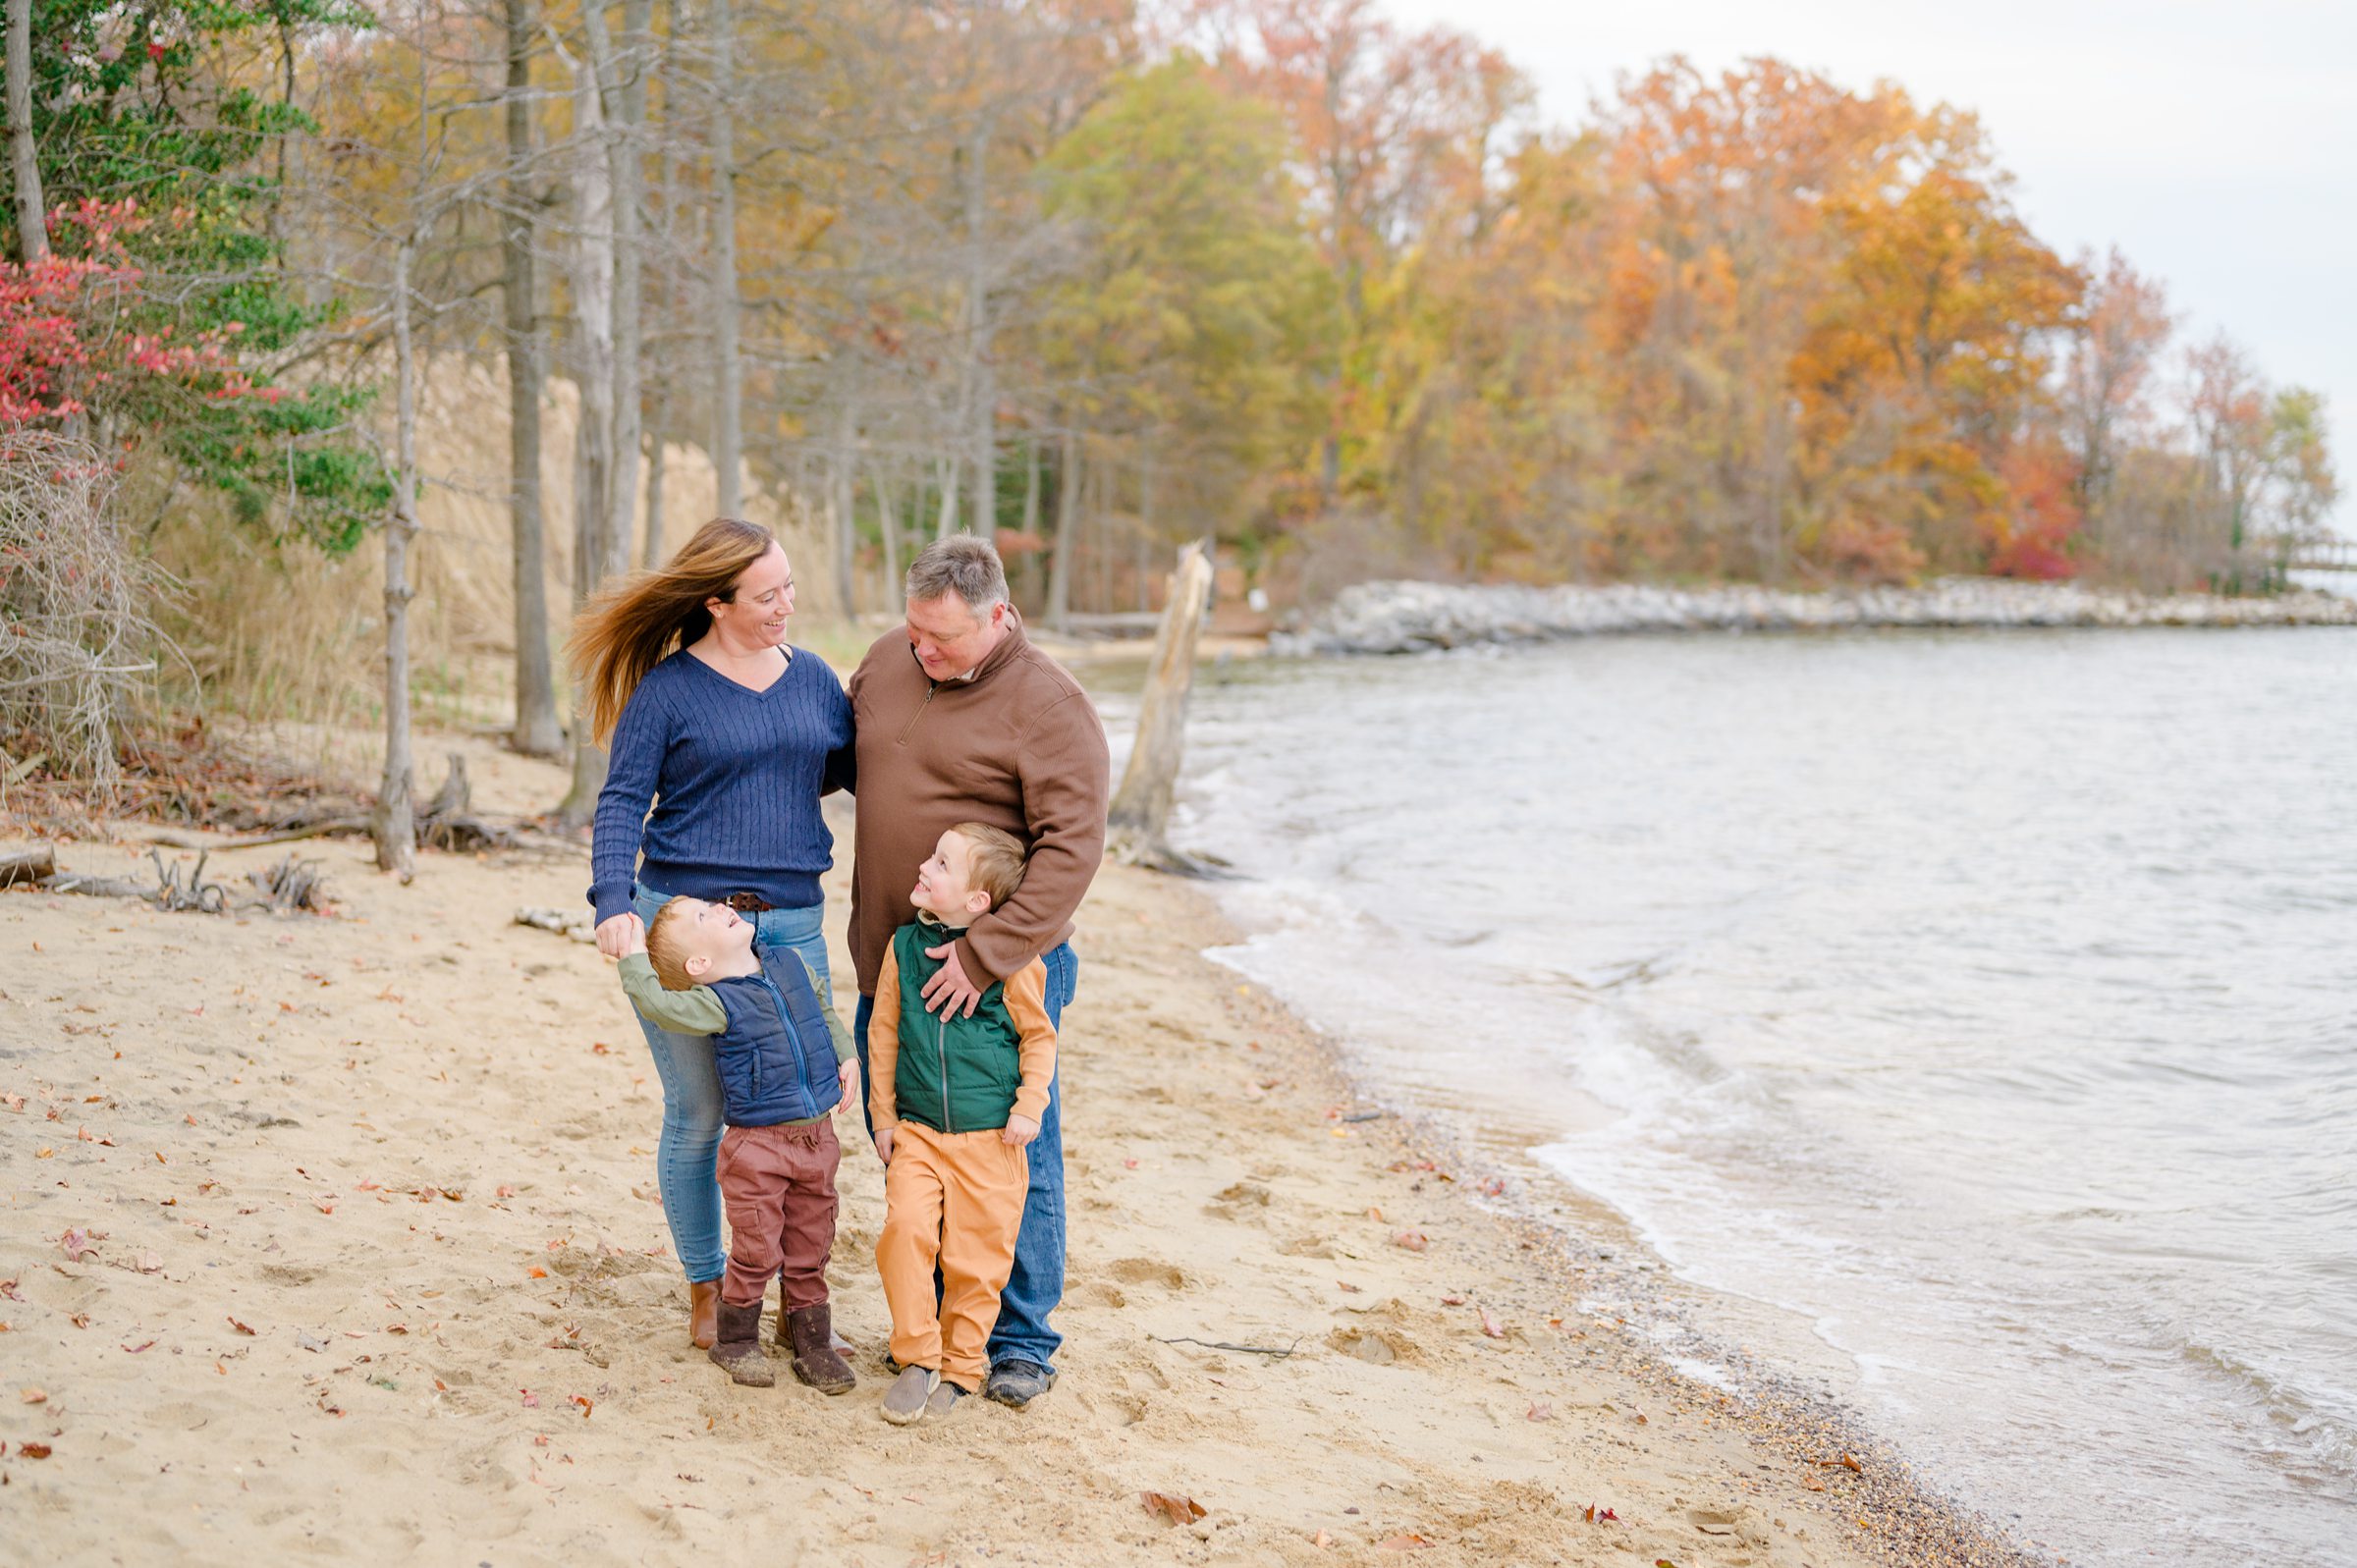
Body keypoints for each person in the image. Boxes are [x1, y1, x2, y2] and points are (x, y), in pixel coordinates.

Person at [573, 517, 852, 1352]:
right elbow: (623, 799)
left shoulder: (814, 680)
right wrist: (611, 899)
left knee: (800, 1115)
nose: (787, 606)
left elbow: (848, 766)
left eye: (791, 587)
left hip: (792, 928)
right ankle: (708, 1284)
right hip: (686, 929)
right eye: (768, 595)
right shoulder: (668, 690)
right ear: (717, 601)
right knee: (700, 1111)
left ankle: (793, 1294)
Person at [846, 534, 1110, 1410]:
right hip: (893, 958)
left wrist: (986, 954)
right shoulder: (890, 659)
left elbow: (1074, 850)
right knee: (914, 1146)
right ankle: (928, 1334)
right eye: (915, 630)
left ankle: (1020, 1341)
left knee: (1012, 1153)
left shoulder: (1051, 705)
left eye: (945, 639)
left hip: (996, 975)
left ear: (998, 616)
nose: (925, 651)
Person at [614, 896, 860, 1392]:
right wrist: (633, 957)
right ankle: (738, 1339)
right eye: (704, 916)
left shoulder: (789, 963)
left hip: (817, 1138)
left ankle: (812, 1341)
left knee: (812, 1242)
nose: (721, 906)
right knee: (757, 1246)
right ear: (699, 964)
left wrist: (847, 1054)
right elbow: (659, 1003)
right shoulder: (716, 1001)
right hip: (758, 1147)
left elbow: (822, 1006)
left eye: (710, 906)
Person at [866, 825, 1057, 1424]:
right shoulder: (901, 949)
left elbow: (1038, 1035)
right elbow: (884, 1035)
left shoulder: (1012, 960)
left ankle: (963, 1368)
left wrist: (1030, 1106)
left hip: (991, 1139)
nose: (925, 865)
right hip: (919, 1132)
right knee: (905, 1232)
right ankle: (918, 1356)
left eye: (942, 863)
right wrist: (883, 1117)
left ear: (978, 901)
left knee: (977, 1260)